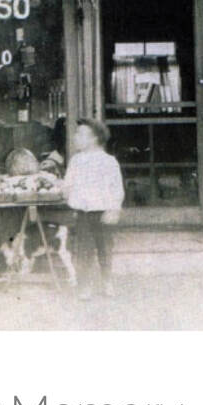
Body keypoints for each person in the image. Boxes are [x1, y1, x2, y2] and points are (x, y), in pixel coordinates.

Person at [62, 118, 124, 300]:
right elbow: (68, 184)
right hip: (83, 214)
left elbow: (117, 189)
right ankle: (85, 286)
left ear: (94, 138)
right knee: (83, 251)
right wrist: (66, 191)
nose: (75, 137)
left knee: (105, 249)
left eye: (80, 134)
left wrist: (114, 209)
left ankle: (107, 282)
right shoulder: (76, 161)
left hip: (104, 213)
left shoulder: (109, 162)